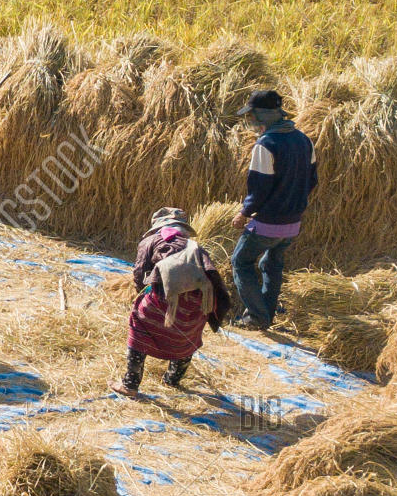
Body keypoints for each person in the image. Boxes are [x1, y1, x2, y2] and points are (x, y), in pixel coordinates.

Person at [110, 208, 231, 398]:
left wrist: (142, 293)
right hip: (198, 303)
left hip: (163, 299)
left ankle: (130, 384)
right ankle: (172, 379)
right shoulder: (195, 246)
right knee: (188, 335)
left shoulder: (150, 241)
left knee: (140, 325)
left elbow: (139, 274)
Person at [230, 89, 318, 330]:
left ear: (262, 116)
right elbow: (312, 181)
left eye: (252, 116)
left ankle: (256, 317)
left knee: (240, 262)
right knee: (271, 264)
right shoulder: (304, 140)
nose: (251, 122)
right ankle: (266, 314)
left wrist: (244, 213)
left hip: (268, 222)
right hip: (293, 224)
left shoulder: (266, 144)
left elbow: (259, 188)